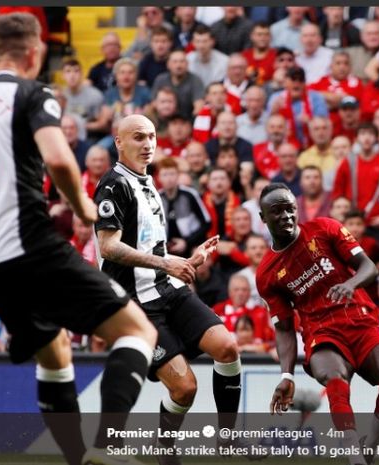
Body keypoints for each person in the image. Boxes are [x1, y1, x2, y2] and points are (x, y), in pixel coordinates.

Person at [0, 13, 157, 465]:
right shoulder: (30, 92)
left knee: (55, 349)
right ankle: (106, 447)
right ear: (34, 52)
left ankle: (77, 458)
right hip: (26, 241)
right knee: (137, 331)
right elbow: (60, 160)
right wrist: (85, 208)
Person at [93, 115, 246, 465]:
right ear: (119, 142)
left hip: (168, 290)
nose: (147, 144)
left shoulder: (148, 183)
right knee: (185, 387)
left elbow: (151, 249)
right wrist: (167, 264)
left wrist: (186, 260)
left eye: (151, 137)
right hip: (138, 306)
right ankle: (165, 447)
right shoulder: (113, 185)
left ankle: (227, 438)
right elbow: (109, 247)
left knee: (227, 347)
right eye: (138, 137)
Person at [257, 183, 379, 465]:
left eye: (290, 209)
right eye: (276, 212)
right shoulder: (267, 273)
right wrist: (286, 376)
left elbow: (368, 267)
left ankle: (370, 445)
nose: (286, 216)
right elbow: (285, 328)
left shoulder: (325, 228)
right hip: (321, 331)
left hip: (360, 318)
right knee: (335, 379)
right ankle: (355, 458)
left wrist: (350, 284)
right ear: (263, 218)